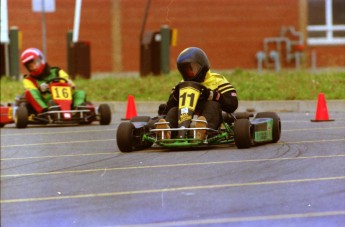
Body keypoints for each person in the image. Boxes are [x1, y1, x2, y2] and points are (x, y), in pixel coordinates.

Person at [157, 47, 238, 140]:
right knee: (174, 110)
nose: (189, 73)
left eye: (191, 68)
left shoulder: (218, 80)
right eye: (185, 70)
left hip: (212, 115)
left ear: (202, 66)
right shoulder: (181, 85)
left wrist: (213, 96)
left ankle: (203, 130)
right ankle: (167, 131)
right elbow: (168, 108)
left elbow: (232, 104)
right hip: (185, 116)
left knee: (212, 105)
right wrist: (175, 97)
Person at [20, 48, 86, 114]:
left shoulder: (57, 71)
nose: (34, 67)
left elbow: (66, 80)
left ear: (41, 59)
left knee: (80, 93)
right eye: (30, 66)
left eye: (35, 63)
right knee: (29, 92)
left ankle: (79, 109)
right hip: (45, 101)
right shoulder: (29, 80)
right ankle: (45, 112)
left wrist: (70, 84)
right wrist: (39, 89)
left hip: (65, 100)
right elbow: (31, 91)